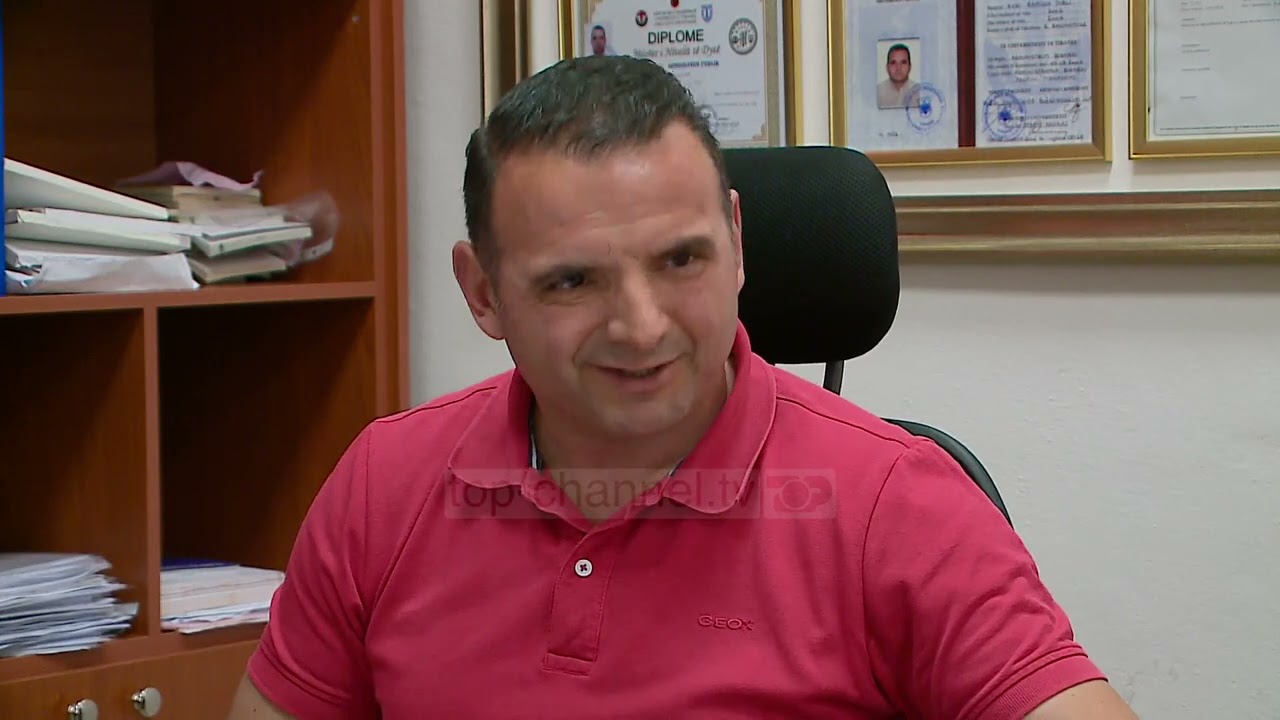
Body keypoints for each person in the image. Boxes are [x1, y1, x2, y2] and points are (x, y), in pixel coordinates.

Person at [227, 55, 1138, 719]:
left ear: (736, 243)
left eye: (680, 260)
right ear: (483, 293)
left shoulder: (896, 506)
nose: (642, 326)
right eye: (572, 280)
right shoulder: (386, 484)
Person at [877, 42, 919, 109]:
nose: (898, 68)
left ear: (910, 66)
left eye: (903, 62)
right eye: (893, 63)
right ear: (887, 67)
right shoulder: (877, 93)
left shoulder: (919, 93)